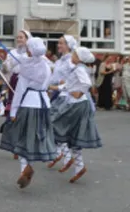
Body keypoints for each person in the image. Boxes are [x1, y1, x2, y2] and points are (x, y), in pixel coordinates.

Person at [0, 37, 56, 189]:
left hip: (29, 102)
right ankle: (28, 166)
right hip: (44, 103)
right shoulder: (46, 64)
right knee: (38, 135)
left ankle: (25, 168)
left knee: (23, 136)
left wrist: (13, 110)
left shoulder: (27, 67)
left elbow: (20, 90)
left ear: (30, 49)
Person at [51, 47, 102, 183]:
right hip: (75, 104)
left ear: (79, 58)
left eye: (74, 54)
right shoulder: (77, 69)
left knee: (56, 125)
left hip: (76, 105)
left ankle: (66, 156)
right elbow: (69, 85)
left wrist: (79, 92)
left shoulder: (79, 69)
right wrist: (52, 87)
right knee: (71, 134)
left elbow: (87, 83)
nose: (72, 56)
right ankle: (78, 165)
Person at [45, 35, 76, 168]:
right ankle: (59, 153)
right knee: (54, 124)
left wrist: (58, 85)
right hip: (58, 94)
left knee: (57, 124)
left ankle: (66, 155)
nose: (58, 45)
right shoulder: (59, 62)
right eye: (58, 43)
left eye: (61, 43)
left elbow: (74, 79)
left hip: (67, 96)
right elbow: (53, 78)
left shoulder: (71, 61)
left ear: (69, 45)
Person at [2, 30, 31, 117]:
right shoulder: (12, 52)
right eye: (17, 37)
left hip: (26, 81)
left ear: (27, 39)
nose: (18, 39)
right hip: (14, 80)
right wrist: (5, 66)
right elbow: (6, 69)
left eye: (21, 37)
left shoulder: (31, 52)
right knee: (14, 102)